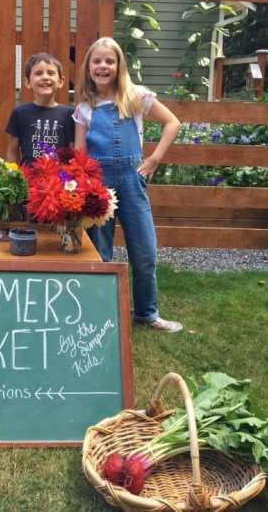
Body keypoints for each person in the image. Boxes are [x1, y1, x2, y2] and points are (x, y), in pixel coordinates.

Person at [74, 37, 182, 332]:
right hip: (99, 186)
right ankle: (101, 313)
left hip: (132, 182)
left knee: (145, 252)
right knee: (99, 252)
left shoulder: (136, 97)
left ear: (119, 66)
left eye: (109, 61)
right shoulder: (85, 108)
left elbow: (172, 122)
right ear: (88, 67)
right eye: (97, 61)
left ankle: (146, 313)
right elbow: (80, 153)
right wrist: (82, 186)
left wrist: (155, 159)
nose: (103, 66)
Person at [5, 53, 74, 165]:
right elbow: (12, 152)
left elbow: (73, 152)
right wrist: (11, 174)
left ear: (61, 82)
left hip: (59, 175)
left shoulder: (69, 114)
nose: (45, 77)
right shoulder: (19, 113)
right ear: (27, 82)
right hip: (28, 175)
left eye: (51, 73)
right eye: (38, 73)